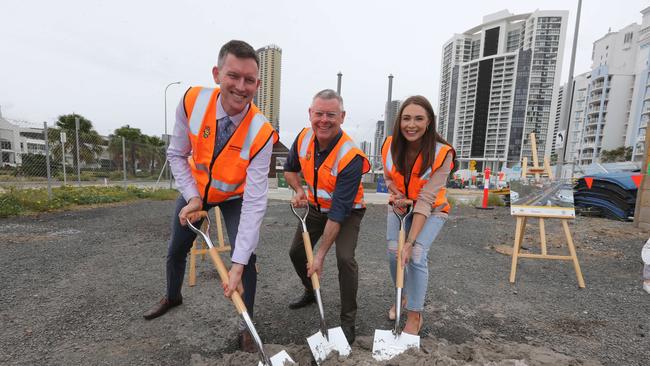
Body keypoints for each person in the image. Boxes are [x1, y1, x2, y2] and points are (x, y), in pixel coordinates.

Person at [143, 40, 278, 353]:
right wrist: (192, 197)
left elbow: (256, 200)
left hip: (234, 196)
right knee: (176, 248)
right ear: (217, 73)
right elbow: (176, 154)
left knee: (247, 259)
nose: (241, 87)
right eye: (233, 76)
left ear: (258, 84)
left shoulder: (262, 132)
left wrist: (238, 263)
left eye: (249, 80)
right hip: (197, 192)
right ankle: (172, 296)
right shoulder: (192, 101)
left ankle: (248, 327)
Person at [284, 89, 370, 344]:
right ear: (310, 114)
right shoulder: (303, 138)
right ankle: (311, 291)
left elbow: (339, 211)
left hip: (347, 212)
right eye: (319, 113)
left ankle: (348, 322)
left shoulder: (351, 156)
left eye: (331, 115)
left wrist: (320, 255)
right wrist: (299, 190)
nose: (324, 120)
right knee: (296, 253)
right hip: (315, 208)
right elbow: (290, 170)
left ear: (342, 117)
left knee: (344, 258)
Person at [381, 95, 455, 335]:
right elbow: (389, 177)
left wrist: (411, 242)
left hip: (432, 209)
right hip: (402, 205)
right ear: (399, 121)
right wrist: (395, 191)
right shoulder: (389, 145)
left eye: (418, 119)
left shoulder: (443, 153)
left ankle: (414, 315)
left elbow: (425, 200)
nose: (411, 125)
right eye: (406, 118)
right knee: (394, 251)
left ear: (429, 122)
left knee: (416, 255)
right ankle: (401, 295)